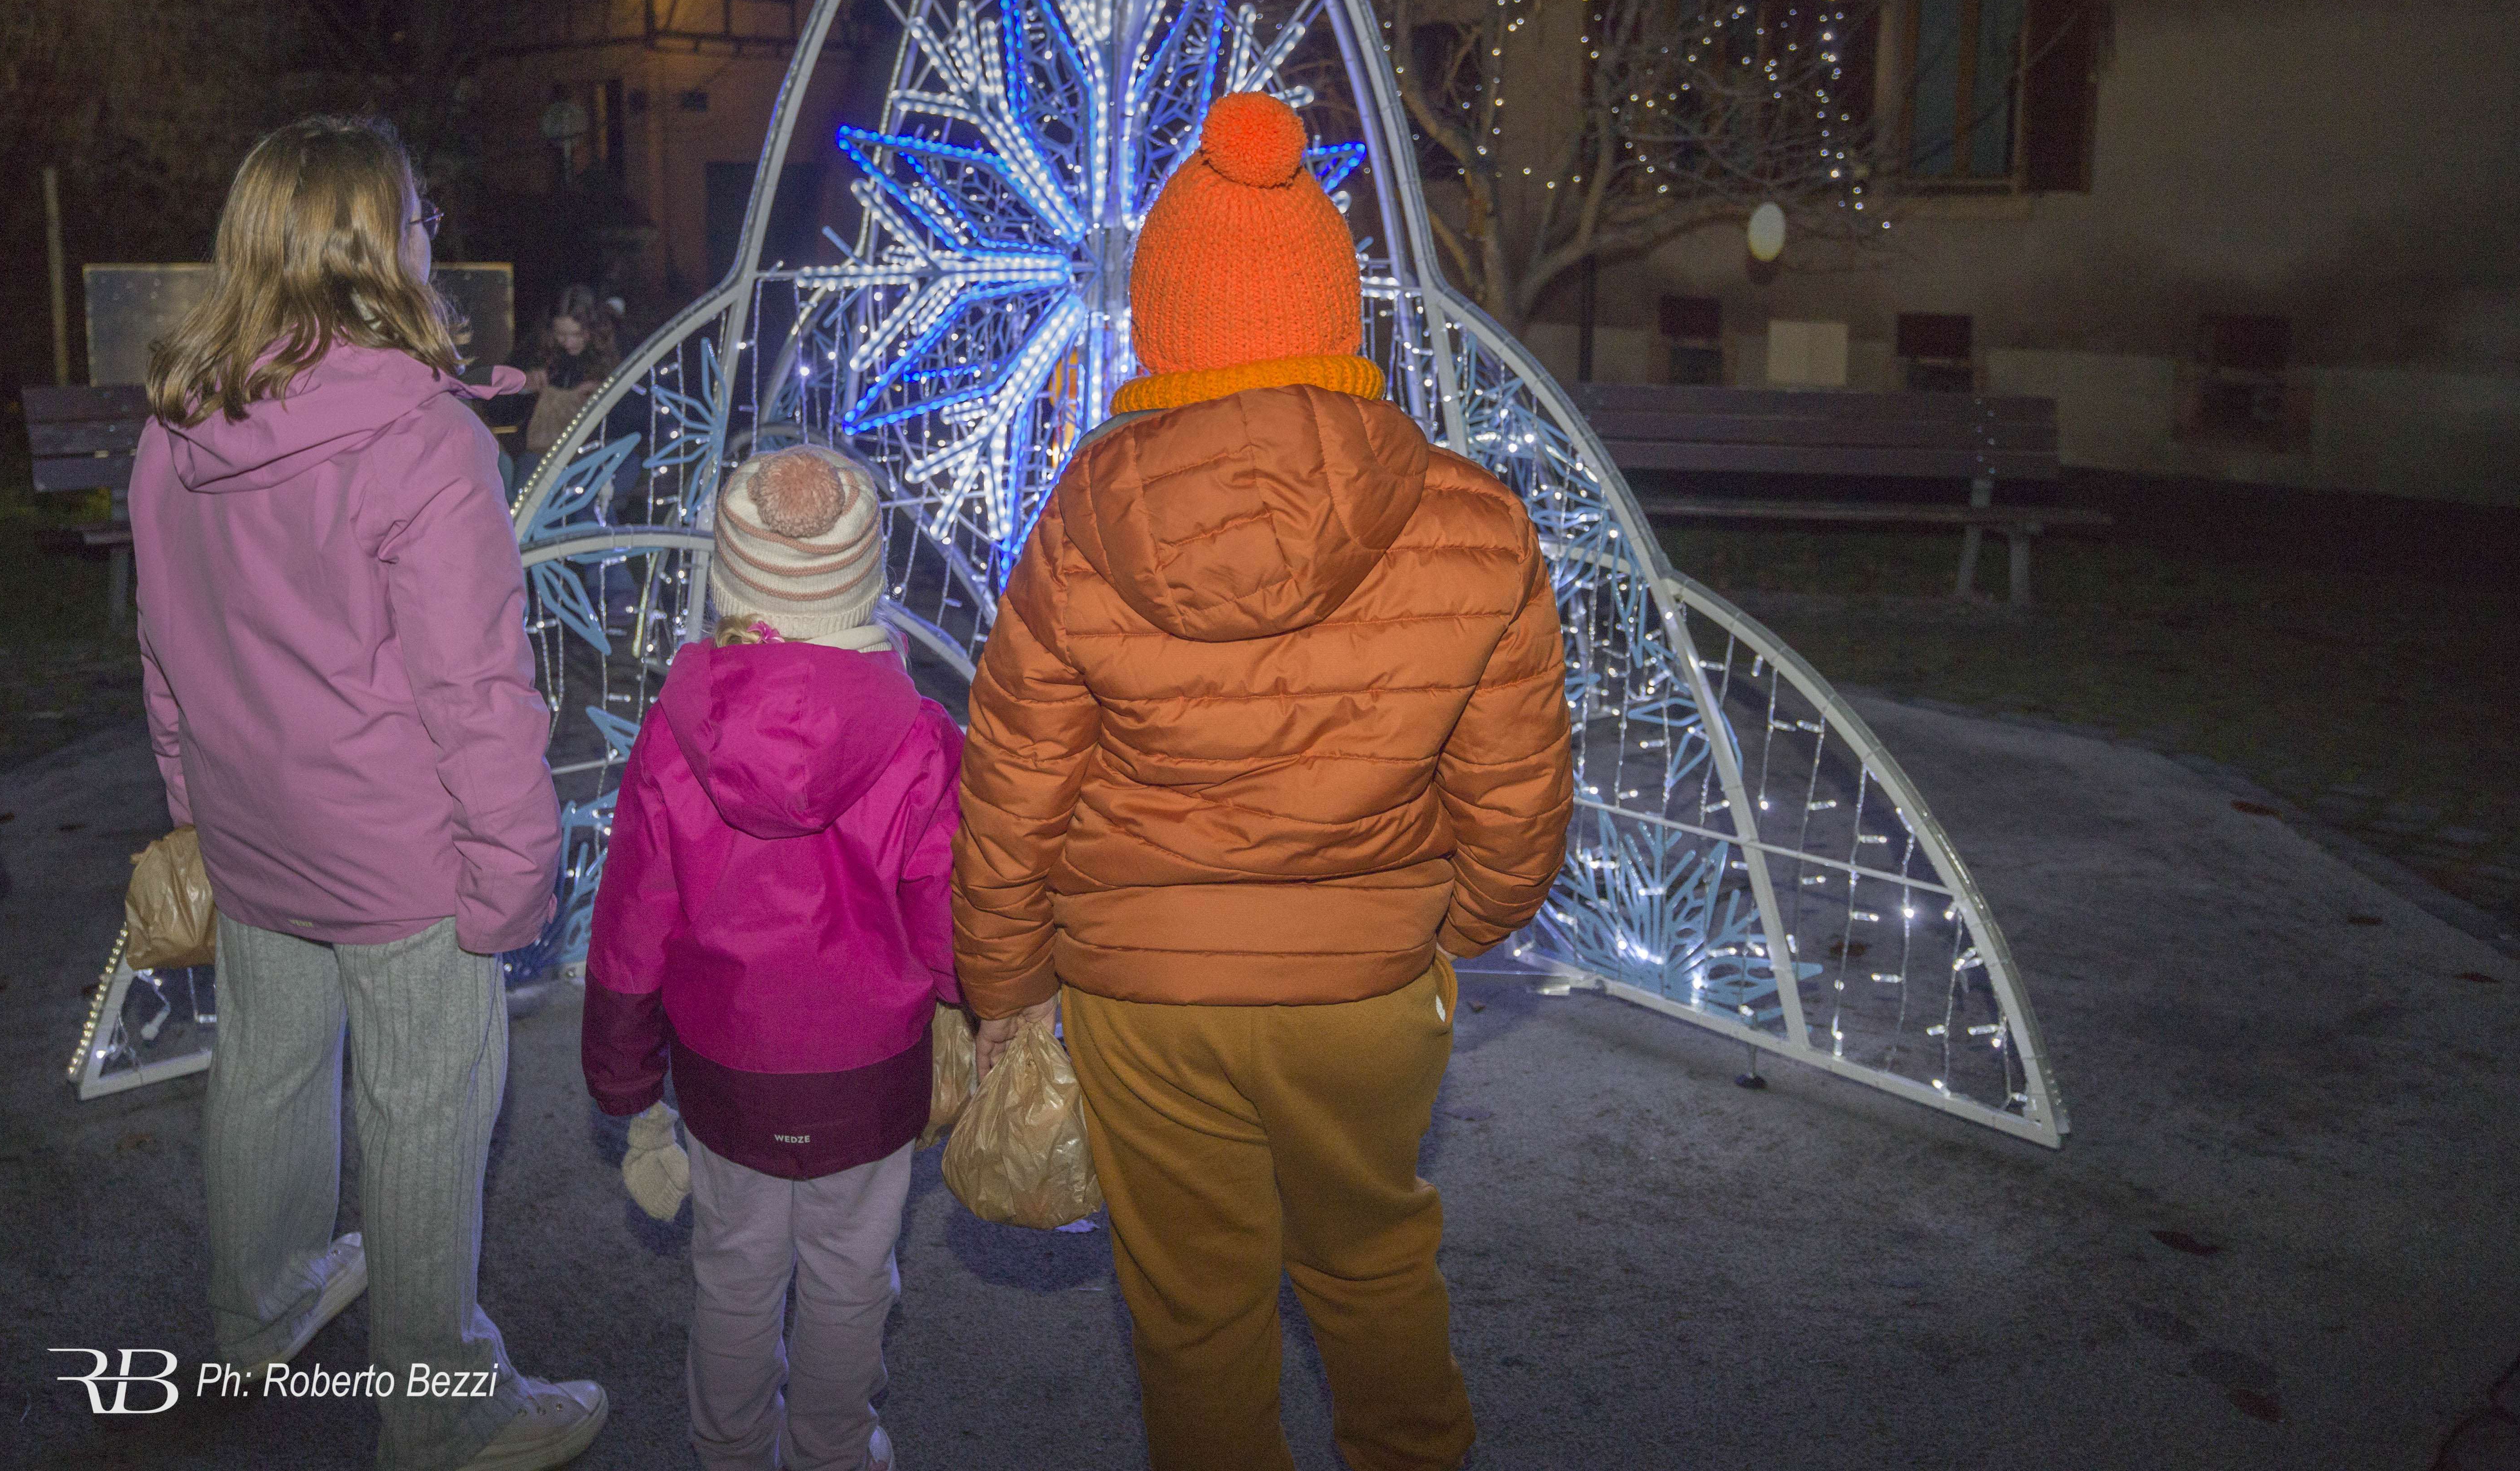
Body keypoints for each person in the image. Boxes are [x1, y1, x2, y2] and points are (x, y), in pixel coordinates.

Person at [951, 90, 1575, 1471]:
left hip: (1143, 992)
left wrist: (1004, 984)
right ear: (1334, 309)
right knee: (1375, 1265)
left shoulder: (1080, 517)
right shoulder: (1473, 519)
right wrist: (1442, 929)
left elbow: (1014, 785)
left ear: (1161, 321)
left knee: (1194, 1314)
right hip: (1365, 987)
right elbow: (1517, 796)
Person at [131, 115, 606, 1470]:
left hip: (254, 829)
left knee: (265, 1070)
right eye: (417, 216)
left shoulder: (175, 427)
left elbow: (165, 649)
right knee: (424, 1107)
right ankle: (440, 1407)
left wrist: (194, 805)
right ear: (377, 245)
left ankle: (260, 1304)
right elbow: (476, 689)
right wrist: (515, 867)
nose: (429, 236)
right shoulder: (424, 442)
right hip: (405, 855)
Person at [581, 445, 962, 1471]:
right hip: (870, 1072)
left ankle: (729, 1447)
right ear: (863, 578)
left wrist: (625, 1084)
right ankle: (833, 1448)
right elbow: (947, 915)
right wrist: (982, 1009)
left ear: (731, 577)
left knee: (733, 1271)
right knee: (850, 1275)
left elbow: (630, 927)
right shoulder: (920, 738)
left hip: (725, 1071)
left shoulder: (673, 734)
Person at [517, 284, 622, 498]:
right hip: (544, 448)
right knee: (524, 488)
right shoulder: (540, 351)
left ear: (592, 329)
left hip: (597, 447)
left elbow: (634, 415)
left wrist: (607, 395)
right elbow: (500, 407)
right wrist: (523, 384)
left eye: (576, 334)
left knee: (581, 489)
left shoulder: (612, 353)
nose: (568, 342)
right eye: (560, 335)